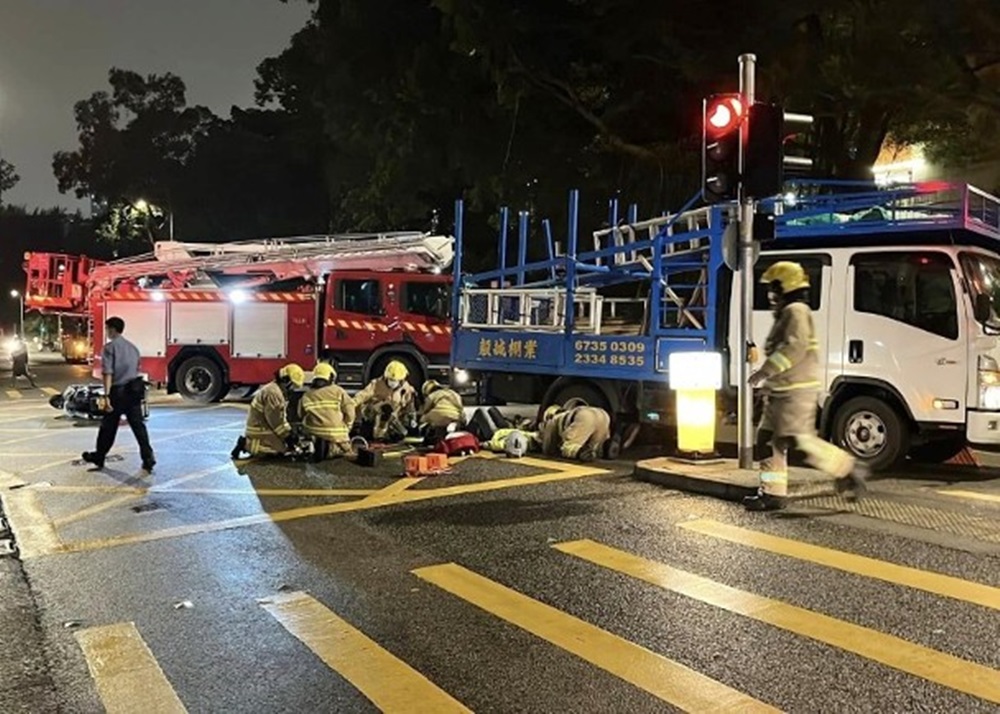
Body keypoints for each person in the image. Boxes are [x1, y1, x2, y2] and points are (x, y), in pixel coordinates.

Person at [745, 261, 868, 511]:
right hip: (782, 391)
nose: (771, 295)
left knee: (799, 441)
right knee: (768, 441)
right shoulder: (791, 312)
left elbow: (794, 347)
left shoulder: (796, 311)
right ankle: (772, 493)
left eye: (774, 288)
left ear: (786, 287)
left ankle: (846, 467)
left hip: (795, 391)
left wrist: (764, 372)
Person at [81, 317, 155, 472]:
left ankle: (99, 456)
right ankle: (148, 457)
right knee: (138, 426)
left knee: (108, 427)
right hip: (134, 392)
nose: (106, 332)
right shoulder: (133, 348)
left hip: (118, 392)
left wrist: (106, 396)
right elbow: (136, 369)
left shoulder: (109, 348)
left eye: (107, 328)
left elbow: (108, 373)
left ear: (113, 329)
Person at [231, 364, 305, 458]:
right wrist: (288, 437)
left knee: (284, 447)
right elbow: (276, 422)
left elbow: (281, 418)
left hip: (264, 426)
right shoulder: (273, 394)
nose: (292, 390)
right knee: (278, 452)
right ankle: (247, 445)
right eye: (292, 386)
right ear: (285, 380)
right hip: (260, 430)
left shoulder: (276, 390)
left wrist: (289, 432)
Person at [299, 363, 355, 460]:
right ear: (331, 377)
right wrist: (347, 426)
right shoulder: (338, 391)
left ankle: (316, 446)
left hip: (313, 431)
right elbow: (350, 411)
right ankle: (336, 449)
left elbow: (300, 413)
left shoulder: (307, 395)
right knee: (347, 451)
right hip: (337, 433)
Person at [353, 360, 417, 442]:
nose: (392, 383)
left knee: (402, 433)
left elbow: (410, 406)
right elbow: (362, 395)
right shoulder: (376, 384)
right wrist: (351, 403)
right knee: (386, 409)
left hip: (392, 417)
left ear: (401, 380)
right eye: (390, 379)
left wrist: (412, 419)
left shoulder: (406, 389)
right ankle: (376, 436)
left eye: (395, 380)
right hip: (372, 414)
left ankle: (386, 437)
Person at [540, 403, 611, 462]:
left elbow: (548, 447)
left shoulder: (554, 419)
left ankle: (581, 452)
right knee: (594, 445)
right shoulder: (568, 413)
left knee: (569, 446)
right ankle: (606, 447)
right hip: (603, 415)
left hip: (585, 416)